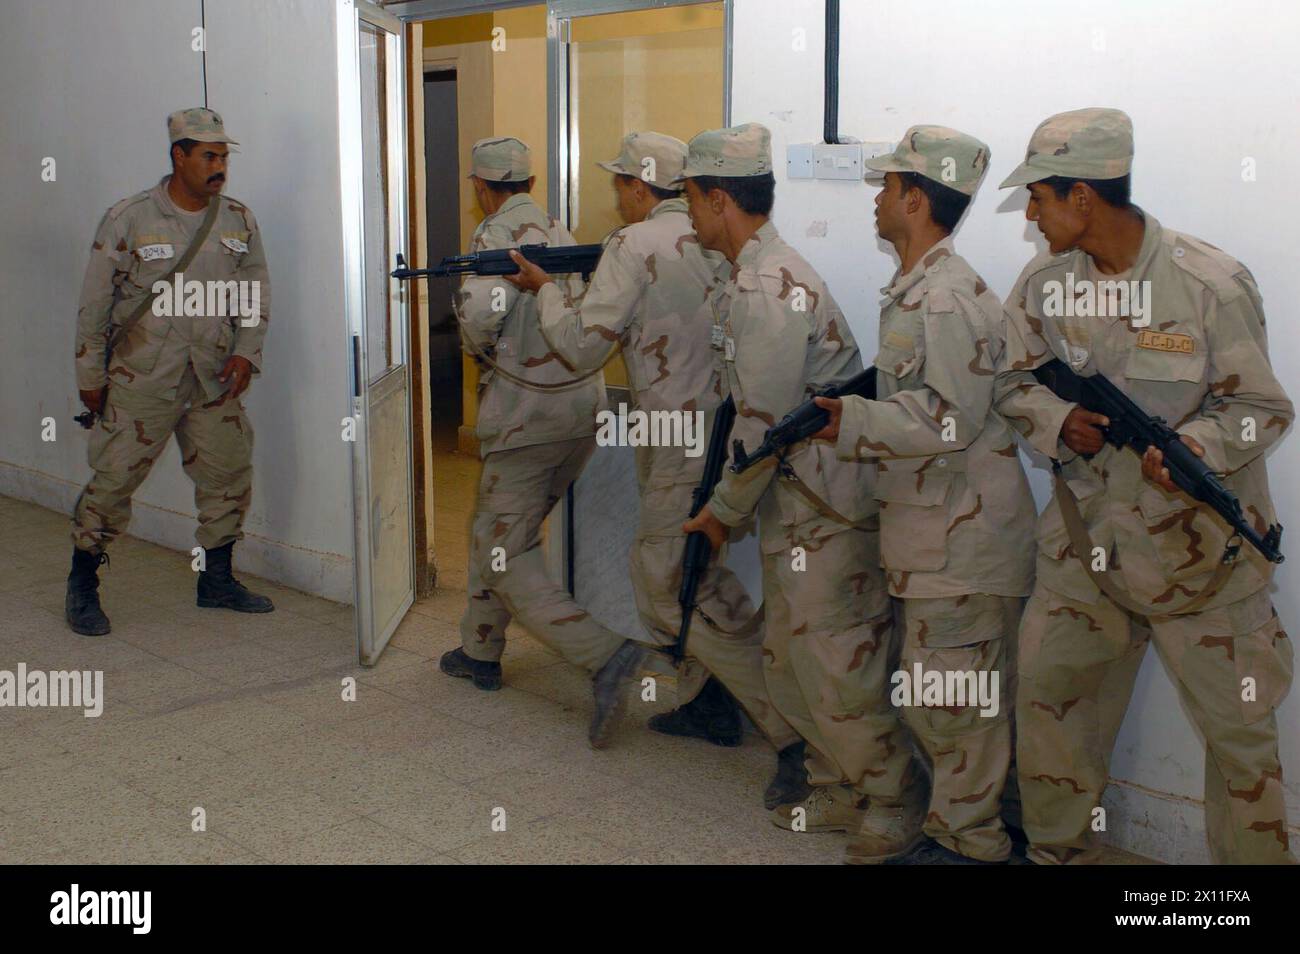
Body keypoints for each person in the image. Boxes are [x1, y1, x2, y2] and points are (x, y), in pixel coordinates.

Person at [993, 107, 1295, 864]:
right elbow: (1008, 380)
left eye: (1039, 196)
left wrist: (1201, 444)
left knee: (1241, 749)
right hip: (1085, 543)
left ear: (1084, 198)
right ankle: (1060, 853)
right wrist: (1060, 420)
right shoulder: (1043, 284)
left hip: (1203, 558)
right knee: (1052, 710)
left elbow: (1264, 410)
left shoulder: (1208, 285)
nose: (1030, 213)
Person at [505, 130, 809, 808]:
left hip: (674, 437)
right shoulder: (734, 244)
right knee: (701, 574)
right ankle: (710, 703)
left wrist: (547, 292)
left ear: (642, 187)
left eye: (620, 183)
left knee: (664, 585)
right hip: (730, 434)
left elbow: (582, 348)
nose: (617, 195)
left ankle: (793, 735)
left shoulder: (634, 245)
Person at [678, 123, 919, 847]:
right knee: (792, 658)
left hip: (829, 509)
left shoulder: (767, 287)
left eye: (690, 198)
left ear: (720, 198)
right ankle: (838, 780)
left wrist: (721, 512)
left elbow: (758, 419)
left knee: (837, 662)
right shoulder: (750, 275)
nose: (686, 214)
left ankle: (894, 801)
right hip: (797, 500)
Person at [812, 126, 1035, 864]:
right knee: (947, 701)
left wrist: (853, 420)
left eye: (885, 185)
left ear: (915, 198)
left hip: (963, 544)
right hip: (935, 536)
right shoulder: (917, 288)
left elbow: (949, 416)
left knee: (954, 709)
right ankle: (967, 829)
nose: (876, 197)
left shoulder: (943, 297)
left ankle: (968, 846)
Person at [437, 136, 644, 750]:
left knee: (503, 542)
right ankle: (480, 647)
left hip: (527, 415)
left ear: (481, 185)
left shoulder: (496, 235)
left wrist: (485, 356)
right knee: (501, 527)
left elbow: (477, 315)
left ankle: (603, 654)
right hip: (580, 411)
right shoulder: (559, 228)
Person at [67, 107, 274, 636]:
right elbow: (94, 305)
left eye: (224, 156)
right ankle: (83, 583)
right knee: (114, 482)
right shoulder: (129, 218)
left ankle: (216, 580)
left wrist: (247, 352)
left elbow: (253, 290)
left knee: (227, 479)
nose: (219, 166)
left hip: (212, 377)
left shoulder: (238, 220)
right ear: (178, 156)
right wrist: (91, 376)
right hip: (142, 380)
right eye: (209, 155)